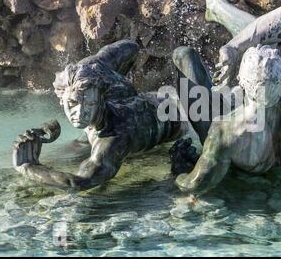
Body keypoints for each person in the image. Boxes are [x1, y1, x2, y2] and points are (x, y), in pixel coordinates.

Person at [168, 0, 281, 196]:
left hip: (243, 148)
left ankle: (217, 9)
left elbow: (195, 185)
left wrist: (178, 170)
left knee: (183, 55)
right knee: (264, 39)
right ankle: (217, 7)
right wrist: (236, 48)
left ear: (242, 80)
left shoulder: (225, 131)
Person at [12, 40, 183, 190]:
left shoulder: (114, 139)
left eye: (90, 104)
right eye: (72, 103)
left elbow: (81, 182)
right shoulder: (100, 84)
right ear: (61, 99)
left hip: (181, 116)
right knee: (77, 144)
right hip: (148, 103)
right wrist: (96, 65)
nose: (79, 112)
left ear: (101, 100)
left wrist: (29, 166)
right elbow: (130, 47)